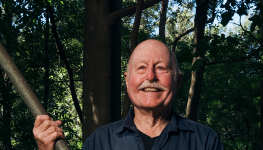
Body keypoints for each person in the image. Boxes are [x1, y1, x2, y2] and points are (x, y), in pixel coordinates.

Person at [33, 39, 223, 150]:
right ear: (126, 80)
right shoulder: (99, 143)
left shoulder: (205, 141)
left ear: (177, 80)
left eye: (161, 68)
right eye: (141, 68)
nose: (150, 76)